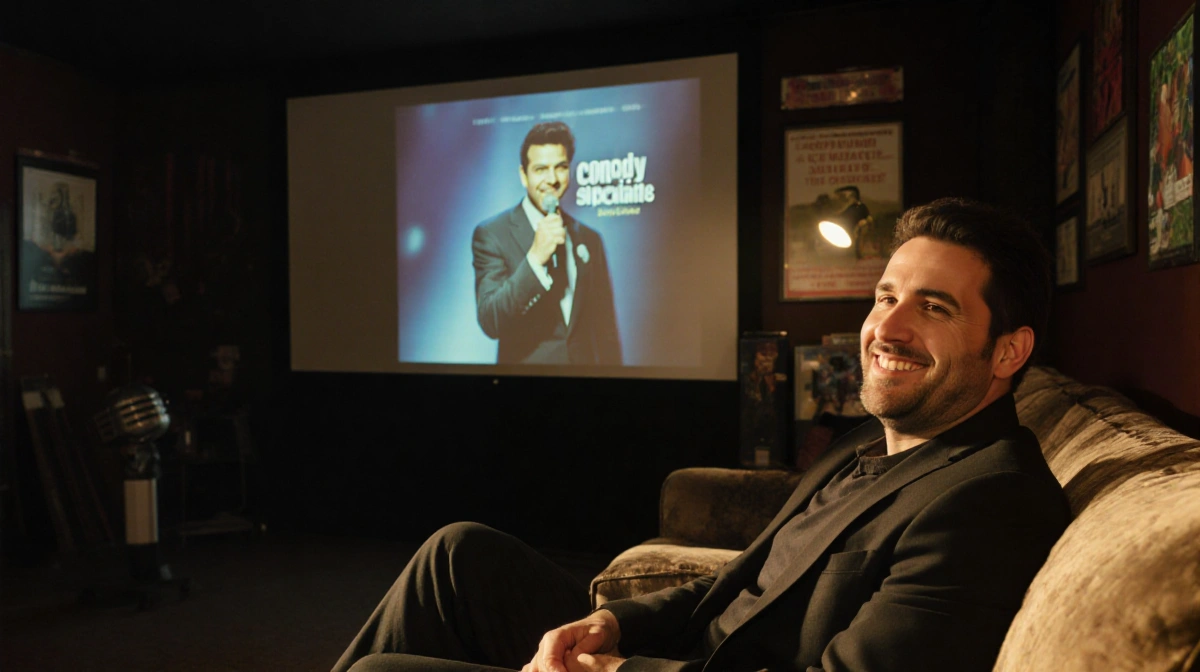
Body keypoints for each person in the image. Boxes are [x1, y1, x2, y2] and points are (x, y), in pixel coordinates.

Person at [334, 197, 1070, 672]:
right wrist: (611, 625)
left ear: (1008, 350)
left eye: (934, 308)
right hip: (685, 654)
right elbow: (733, 585)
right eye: (886, 296)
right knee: (456, 554)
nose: (889, 327)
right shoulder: (867, 443)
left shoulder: (989, 500)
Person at [472, 121, 622, 365]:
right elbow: (491, 321)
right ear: (524, 175)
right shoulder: (492, 234)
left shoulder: (589, 238)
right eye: (540, 169)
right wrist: (535, 258)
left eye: (560, 167)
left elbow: (606, 329)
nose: (552, 179)